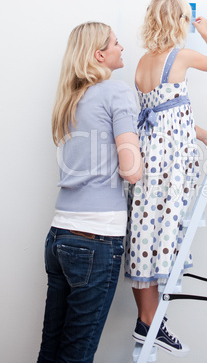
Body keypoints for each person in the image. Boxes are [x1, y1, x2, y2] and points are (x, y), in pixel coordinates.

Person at [124, 0, 207, 357]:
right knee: (165, 231)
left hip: (146, 157)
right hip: (170, 161)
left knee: (143, 233)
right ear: (179, 22)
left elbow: (166, 114)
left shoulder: (141, 63)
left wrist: (205, 135)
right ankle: (152, 323)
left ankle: (147, 321)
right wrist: (206, 32)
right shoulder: (180, 55)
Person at [37, 22, 142, 363]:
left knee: (52, 349)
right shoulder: (117, 92)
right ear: (100, 55)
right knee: (76, 355)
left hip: (60, 235)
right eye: (116, 42)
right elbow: (132, 170)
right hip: (95, 240)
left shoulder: (70, 99)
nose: (122, 47)